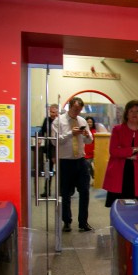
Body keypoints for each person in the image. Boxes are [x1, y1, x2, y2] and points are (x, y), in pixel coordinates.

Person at [53, 97, 94, 232]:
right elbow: (55, 141)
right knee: (65, 193)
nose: (77, 112)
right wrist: (71, 133)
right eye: (75, 109)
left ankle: (83, 222)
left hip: (81, 161)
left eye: (80, 109)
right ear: (70, 107)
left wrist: (88, 136)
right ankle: (67, 221)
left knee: (85, 192)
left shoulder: (82, 121)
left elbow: (88, 141)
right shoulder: (59, 121)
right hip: (65, 162)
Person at [103, 100, 138, 207]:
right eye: (131, 111)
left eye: (137, 111)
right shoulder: (117, 130)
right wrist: (135, 149)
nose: (134, 114)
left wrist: (133, 156)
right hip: (119, 176)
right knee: (118, 208)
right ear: (126, 113)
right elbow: (114, 151)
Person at [39, 103, 58, 197]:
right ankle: (47, 190)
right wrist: (40, 138)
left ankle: (63, 191)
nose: (52, 114)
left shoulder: (60, 121)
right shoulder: (46, 120)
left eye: (54, 112)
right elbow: (42, 131)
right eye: (51, 112)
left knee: (62, 171)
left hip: (59, 148)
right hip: (49, 148)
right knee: (48, 170)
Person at [84, 116, 97, 181]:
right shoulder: (84, 131)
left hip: (92, 153)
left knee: (89, 166)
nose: (89, 123)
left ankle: (94, 177)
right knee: (87, 166)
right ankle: (89, 179)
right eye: (88, 122)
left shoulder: (95, 132)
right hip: (84, 152)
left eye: (91, 122)